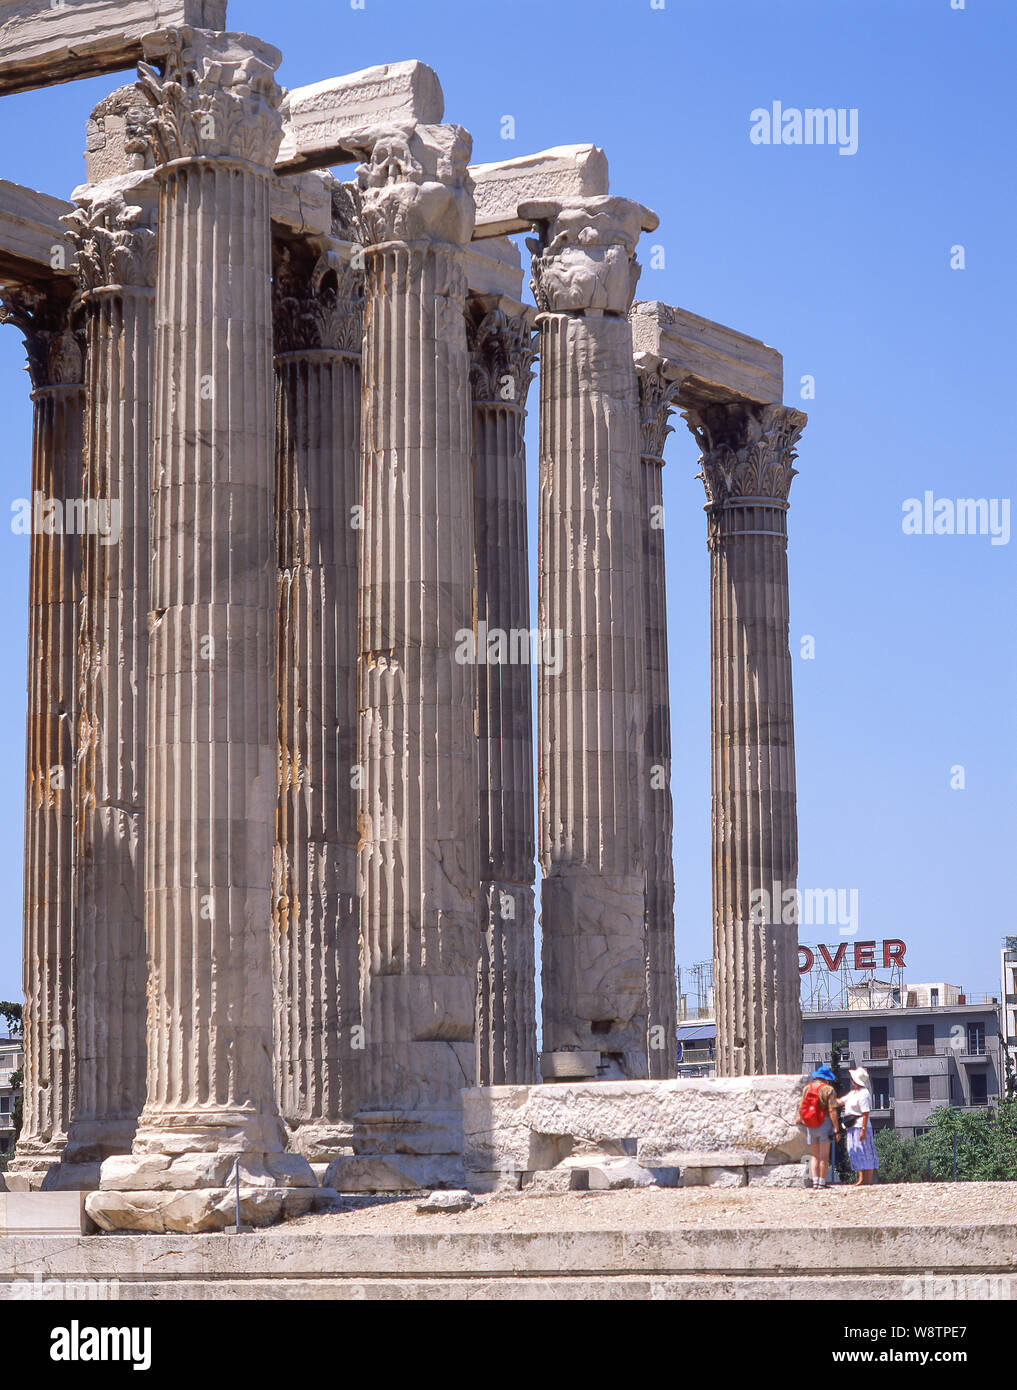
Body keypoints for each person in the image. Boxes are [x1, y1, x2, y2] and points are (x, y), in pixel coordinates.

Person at [797, 1064, 843, 1189]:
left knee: (814, 1156)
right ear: (826, 1078)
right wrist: (836, 1128)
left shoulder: (807, 1088)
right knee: (824, 1156)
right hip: (825, 1123)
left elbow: (801, 1106)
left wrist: (802, 1119)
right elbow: (832, 1110)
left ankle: (815, 1181)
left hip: (811, 1124)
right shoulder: (828, 1090)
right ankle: (822, 1182)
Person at [841, 1066, 879, 1186]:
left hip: (861, 1126)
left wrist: (863, 1129)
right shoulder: (853, 1093)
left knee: (865, 1151)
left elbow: (865, 1112)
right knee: (856, 1152)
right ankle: (862, 1178)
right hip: (852, 1127)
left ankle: (867, 1179)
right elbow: (841, 1101)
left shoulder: (864, 1094)